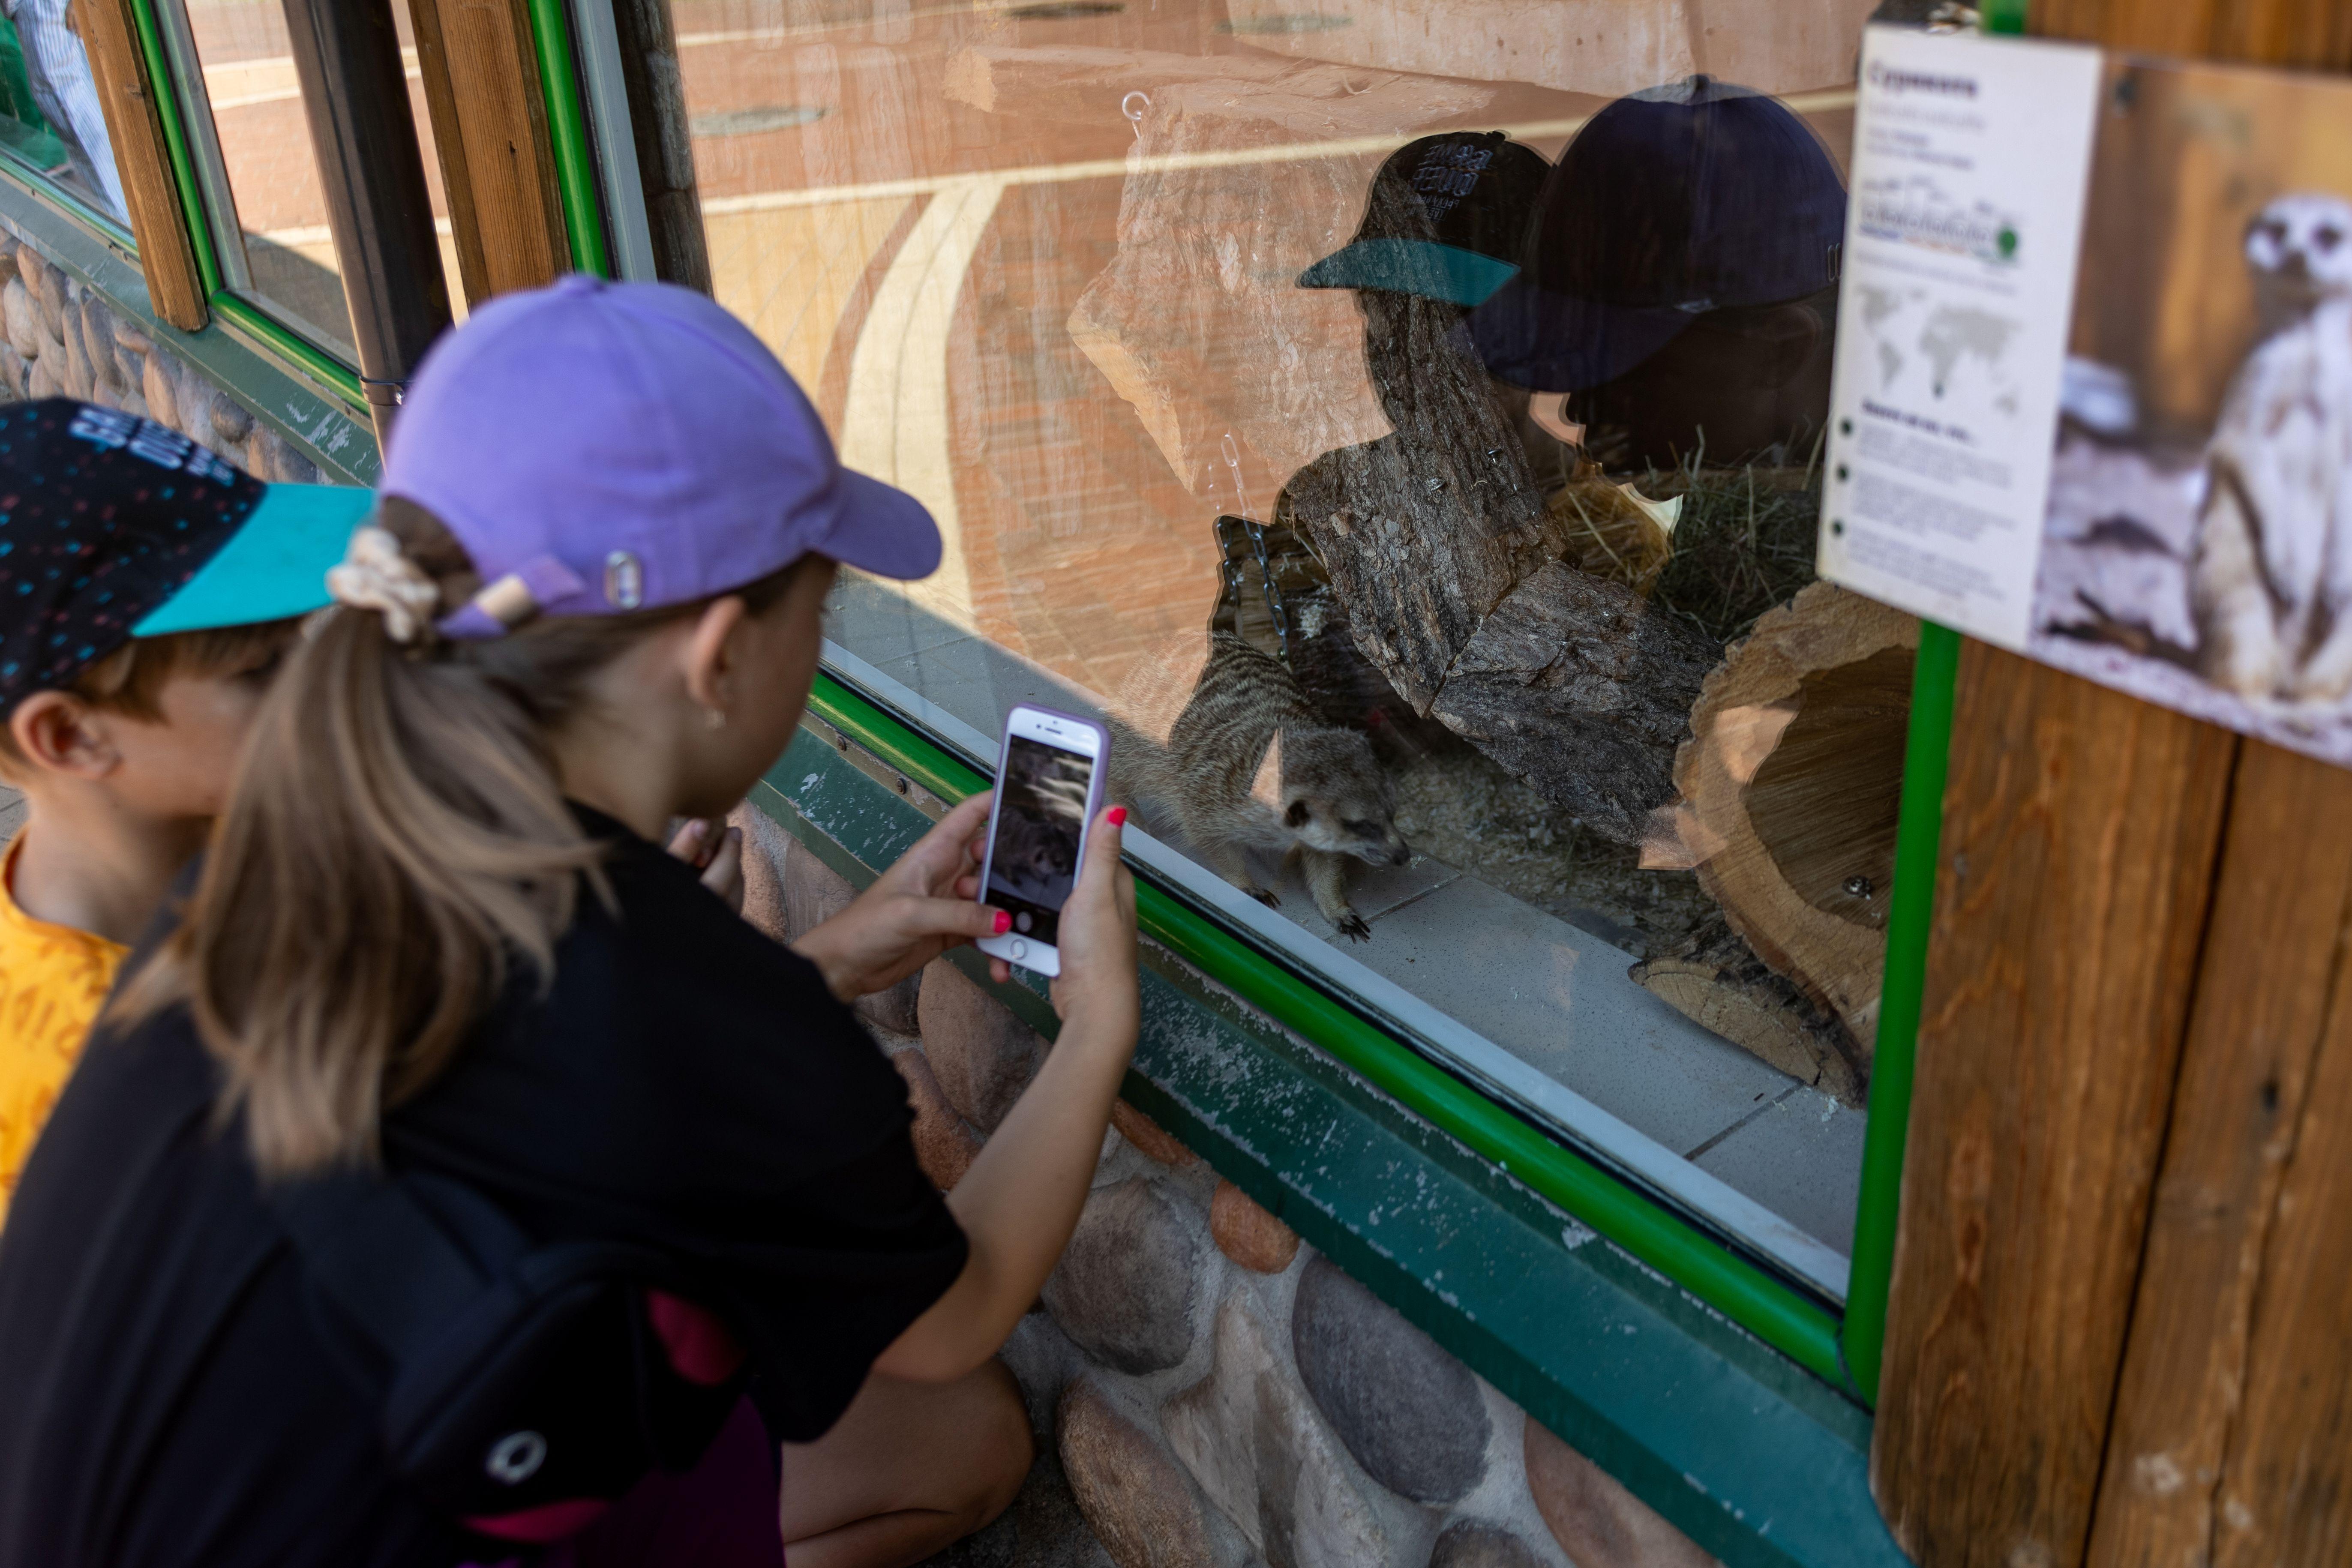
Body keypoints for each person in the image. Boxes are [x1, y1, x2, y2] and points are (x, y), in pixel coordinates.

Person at [0, 278, 1143, 1568]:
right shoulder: (684, 997)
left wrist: (816, 967)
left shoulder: (289, 839)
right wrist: (1095, 1026)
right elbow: (955, 1316)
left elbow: (547, 1067)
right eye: (816, 614)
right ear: (719, 656)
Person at [0, 398, 372, 1224]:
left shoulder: (237, 826)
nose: (312, 688)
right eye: (259, 672)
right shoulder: (105, 1083)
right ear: (70, 737)